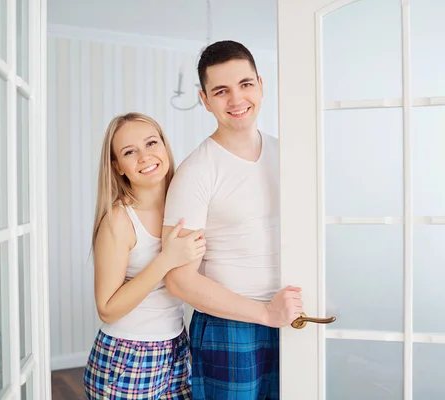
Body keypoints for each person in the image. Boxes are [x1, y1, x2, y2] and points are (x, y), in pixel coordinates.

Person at [162, 41, 303, 399]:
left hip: (292, 315)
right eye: (221, 91)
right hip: (230, 326)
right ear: (205, 100)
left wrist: (278, 313)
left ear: (260, 83)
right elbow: (179, 280)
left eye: (245, 84)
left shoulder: (288, 153)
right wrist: (264, 313)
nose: (236, 99)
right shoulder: (196, 172)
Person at [83, 112, 206, 399]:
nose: (144, 156)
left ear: (165, 147)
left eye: (151, 143)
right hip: (128, 354)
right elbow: (107, 308)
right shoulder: (118, 219)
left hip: (176, 345)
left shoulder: (185, 204)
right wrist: (165, 259)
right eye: (129, 151)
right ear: (118, 167)